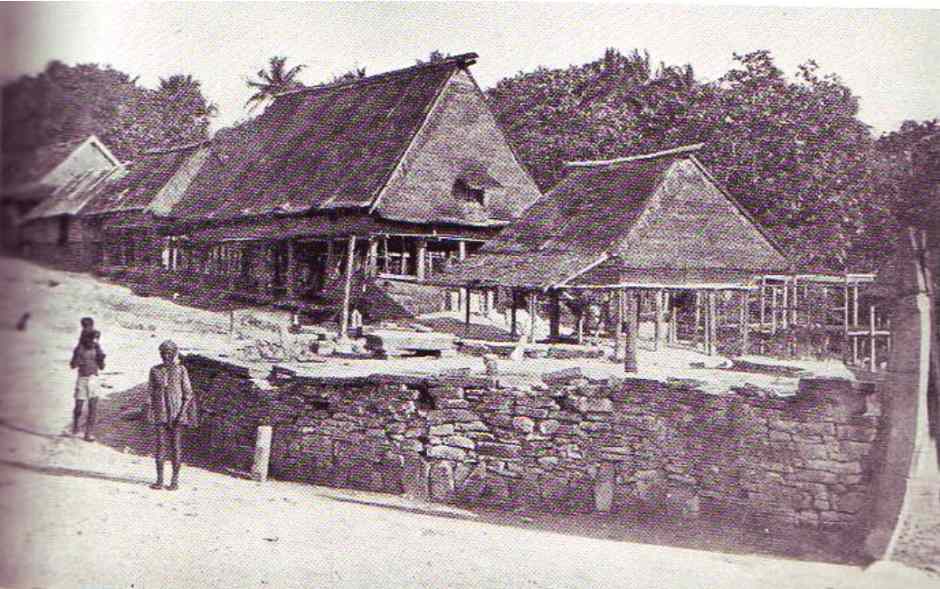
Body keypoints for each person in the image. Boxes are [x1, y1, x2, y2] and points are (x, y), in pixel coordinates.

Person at [147, 340, 198, 491]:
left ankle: (174, 481)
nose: (166, 356)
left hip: (177, 414)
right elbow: (150, 392)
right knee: (160, 447)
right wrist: (150, 411)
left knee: (176, 447)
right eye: (163, 353)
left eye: (169, 353)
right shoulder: (154, 370)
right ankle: (159, 480)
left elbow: (188, 394)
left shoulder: (181, 370)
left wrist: (182, 413)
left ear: (174, 354)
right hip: (160, 413)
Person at [70, 329, 106, 440]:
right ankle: (75, 425)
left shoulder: (97, 348)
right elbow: (72, 365)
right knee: (79, 407)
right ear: (87, 339)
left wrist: (101, 359)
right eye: (92, 339)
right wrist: (78, 360)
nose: (94, 341)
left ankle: (88, 433)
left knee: (93, 407)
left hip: (94, 379)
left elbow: (102, 367)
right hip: (82, 378)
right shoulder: (80, 349)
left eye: (96, 339)